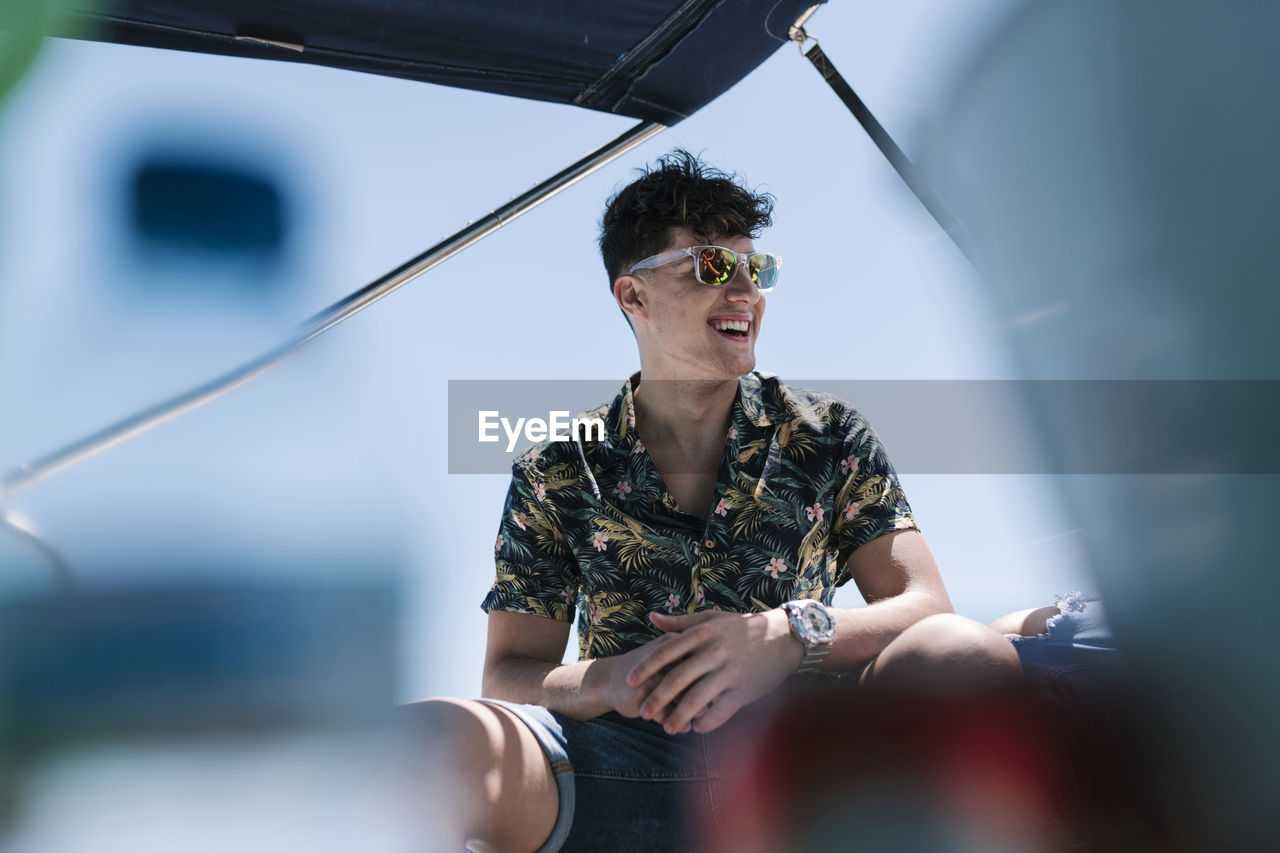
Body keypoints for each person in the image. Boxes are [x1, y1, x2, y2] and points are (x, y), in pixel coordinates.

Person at [409, 151, 1024, 852]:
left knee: (962, 651)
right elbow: (509, 674)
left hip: (806, 770)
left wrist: (789, 636)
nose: (745, 293)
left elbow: (925, 605)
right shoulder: (555, 465)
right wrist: (611, 679)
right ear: (632, 296)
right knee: (428, 741)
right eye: (711, 267)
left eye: (755, 270)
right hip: (620, 772)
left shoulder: (829, 434)